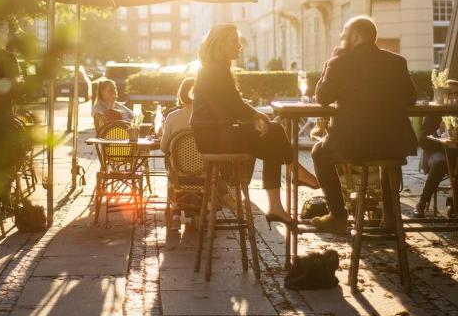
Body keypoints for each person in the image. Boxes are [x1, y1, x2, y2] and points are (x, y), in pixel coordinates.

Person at [190, 23, 318, 227]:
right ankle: (293, 172)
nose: (239, 45)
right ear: (220, 44)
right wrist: (259, 116)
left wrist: (254, 119)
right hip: (213, 138)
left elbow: (230, 105)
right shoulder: (215, 70)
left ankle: (280, 199)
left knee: (272, 141)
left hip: (214, 135)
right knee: (274, 130)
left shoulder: (215, 68)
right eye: (234, 40)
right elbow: (234, 106)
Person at [311, 16, 417, 233]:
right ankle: (390, 218)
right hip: (394, 143)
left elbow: (321, 97)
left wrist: (332, 59)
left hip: (354, 144)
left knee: (318, 152)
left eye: (343, 36)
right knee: (388, 161)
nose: (342, 40)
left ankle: (338, 217)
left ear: (355, 36)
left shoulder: (339, 62)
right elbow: (410, 99)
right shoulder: (397, 62)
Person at [413, 78, 458, 217]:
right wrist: (439, 133)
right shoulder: (435, 111)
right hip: (436, 151)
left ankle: (453, 201)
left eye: (456, 94)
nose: (453, 98)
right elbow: (423, 141)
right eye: (449, 94)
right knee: (440, 163)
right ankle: (422, 202)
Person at [160, 77, 194, 158]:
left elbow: (163, 148)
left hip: (177, 167)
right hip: (206, 168)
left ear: (181, 94)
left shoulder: (172, 116)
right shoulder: (209, 117)